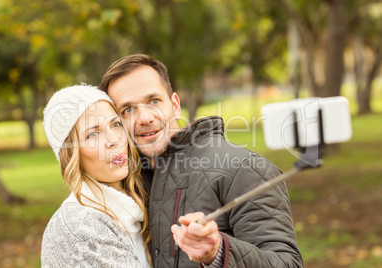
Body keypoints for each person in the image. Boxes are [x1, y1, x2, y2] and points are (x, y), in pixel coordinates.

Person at [99, 54, 304, 267]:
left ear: (175, 105)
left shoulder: (244, 169)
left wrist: (219, 252)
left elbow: (287, 263)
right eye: (128, 110)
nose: (144, 118)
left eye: (153, 101)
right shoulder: (124, 184)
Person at [41, 84, 152, 268]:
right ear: (71, 154)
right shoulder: (81, 225)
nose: (114, 140)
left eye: (115, 124)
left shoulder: (132, 209)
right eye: (93, 134)